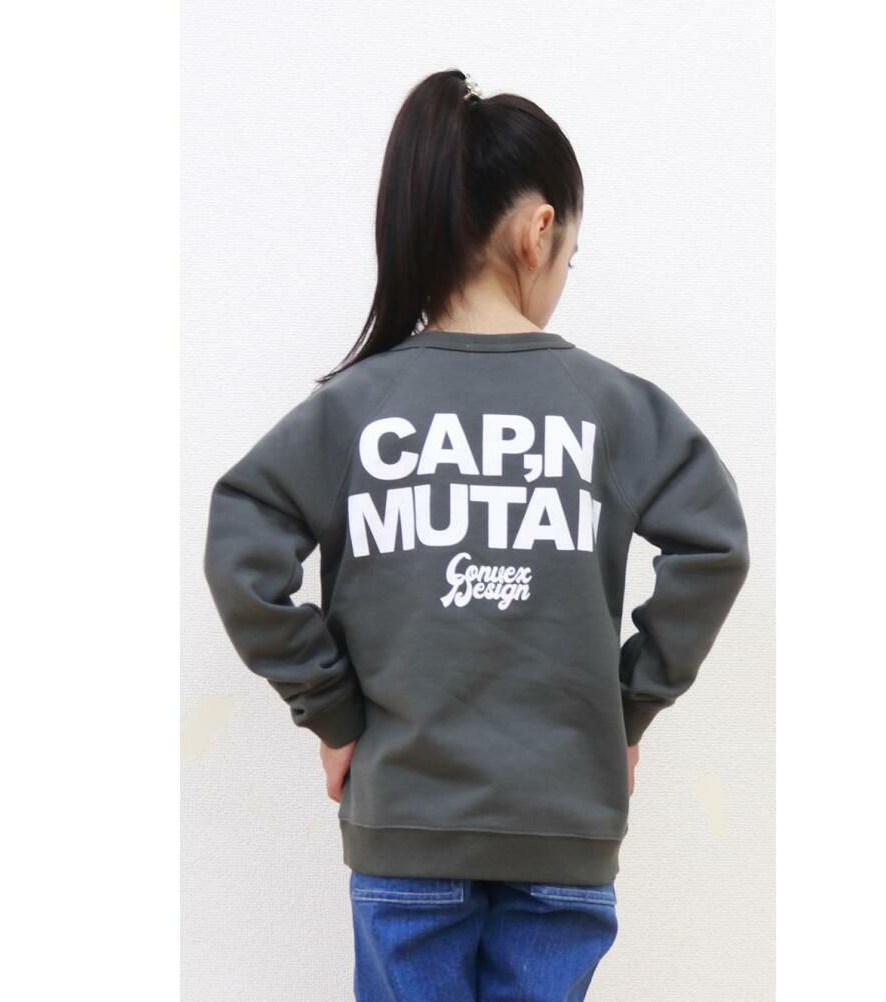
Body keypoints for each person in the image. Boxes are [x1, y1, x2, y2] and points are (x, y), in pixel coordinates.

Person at [203, 68, 751, 1002]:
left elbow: (240, 544)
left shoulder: (356, 409)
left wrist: (333, 713)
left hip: (405, 825)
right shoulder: (613, 410)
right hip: (564, 830)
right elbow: (716, 543)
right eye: (571, 255)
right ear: (539, 230)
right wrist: (626, 709)